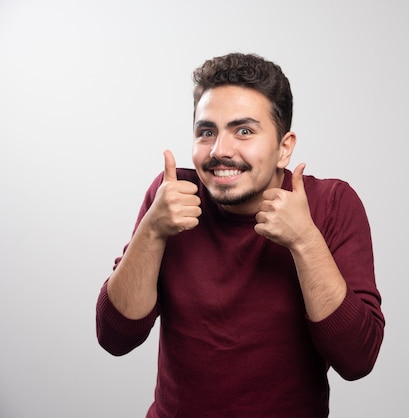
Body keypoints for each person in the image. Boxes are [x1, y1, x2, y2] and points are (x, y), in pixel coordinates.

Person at [96, 52, 385, 417]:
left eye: (244, 131)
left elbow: (357, 359)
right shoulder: (173, 195)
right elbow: (115, 337)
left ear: (284, 147)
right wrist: (152, 230)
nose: (220, 151)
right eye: (206, 132)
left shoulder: (331, 203)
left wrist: (305, 241)